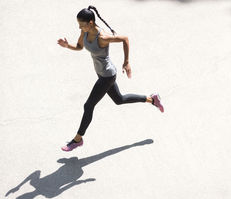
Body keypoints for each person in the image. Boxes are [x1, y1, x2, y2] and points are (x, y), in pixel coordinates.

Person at [57, 6, 164, 152]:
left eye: (81, 25)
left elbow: (125, 39)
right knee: (119, 100)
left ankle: (77, 139)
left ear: (90, 22)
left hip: (107, 76)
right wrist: (66, 45)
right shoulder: (85, 31)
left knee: (88, 106)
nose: (79, 27)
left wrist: (126, 62)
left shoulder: (102, 37)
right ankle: (152, 99)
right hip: (102, 74)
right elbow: (79, 46)